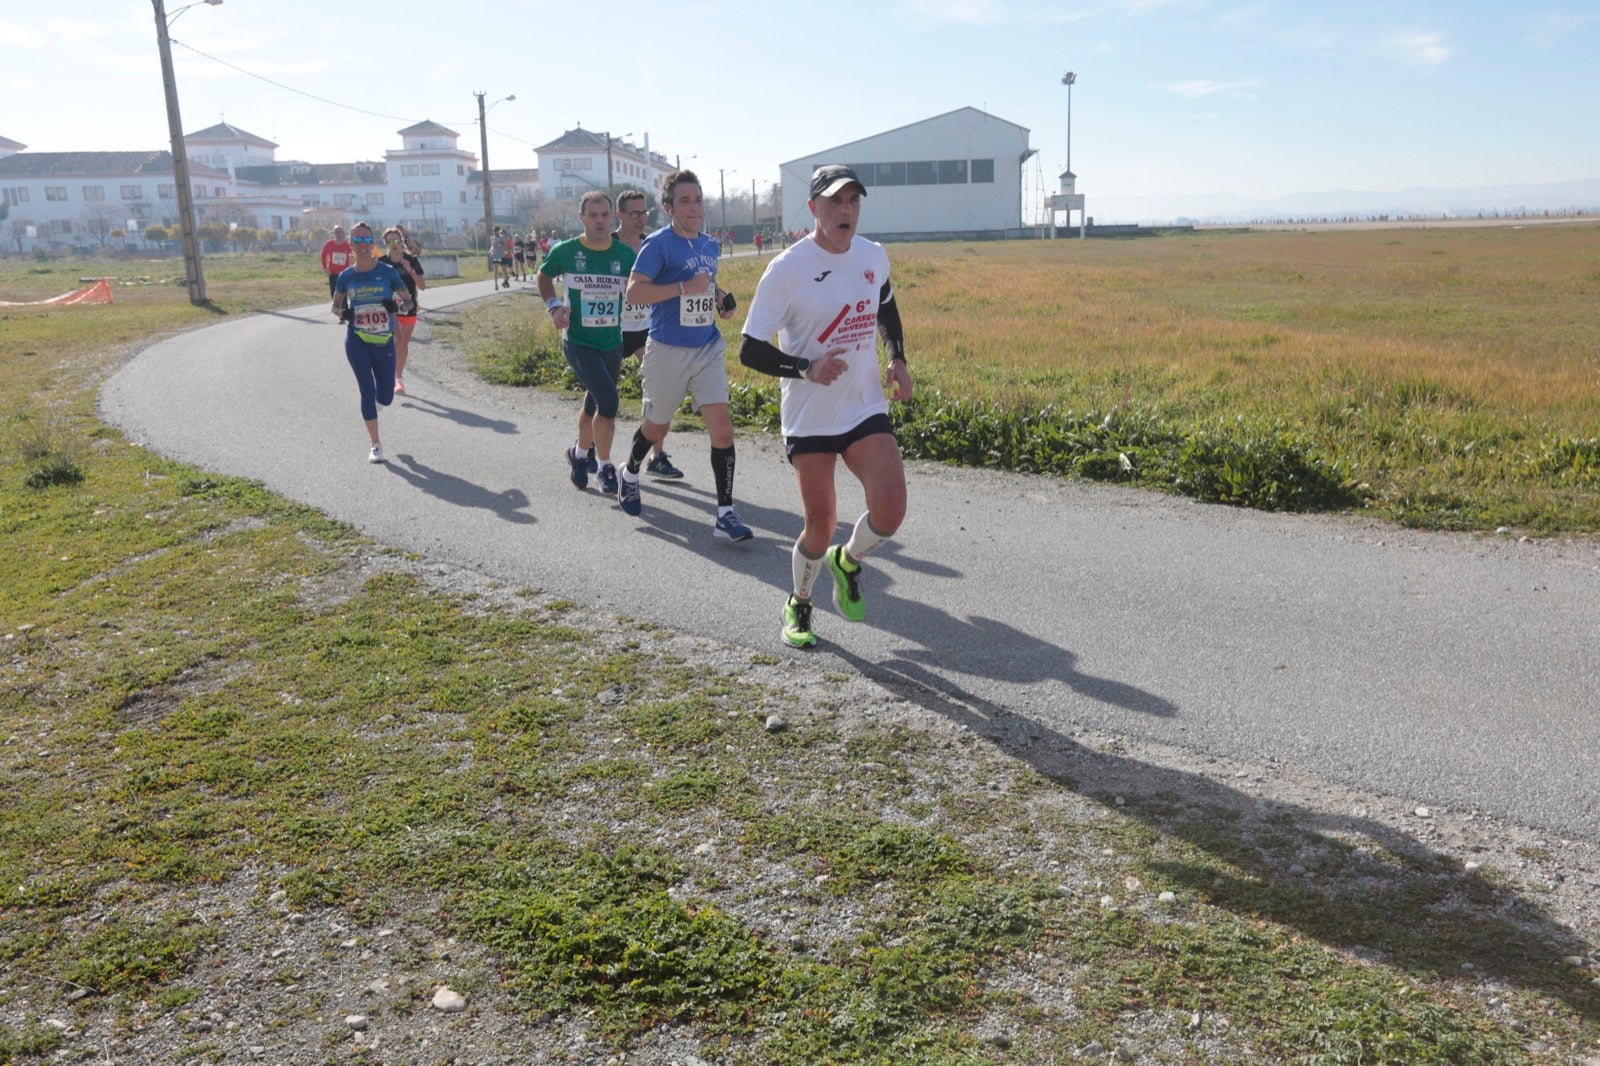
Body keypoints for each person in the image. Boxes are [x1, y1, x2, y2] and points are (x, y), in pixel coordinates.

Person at [738, 165, 911, 648]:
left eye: (853, 201)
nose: (846, 210)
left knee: (891, 511)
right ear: (813, 208)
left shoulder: (872, 255)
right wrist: (806, 367)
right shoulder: (786, 270)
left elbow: (884, 304)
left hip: (862, 404)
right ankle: (799, 601)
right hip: (810, 412)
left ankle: (848, 560)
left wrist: (896, 358)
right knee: (820, 524)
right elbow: (749, 349)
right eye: (835, 201)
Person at [616, 170, 745, 538]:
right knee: (656, 425)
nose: (694, 207)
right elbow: (635, 293)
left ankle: (725, 514)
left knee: (723, 430)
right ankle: (630, 471)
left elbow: (706, 284)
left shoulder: (709, 245)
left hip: (706, 347)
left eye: (698, 200)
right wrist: (682, 287)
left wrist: (719, 299)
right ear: (668, 207)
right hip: (667, 350)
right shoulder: (658, 245)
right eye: (685, 201)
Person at [576, 189, 682, 481]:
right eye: (634, 213)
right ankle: (585, 449)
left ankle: (657, 456)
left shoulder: (651, 244)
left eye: (644, 212)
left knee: (659, 388)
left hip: (646, 328)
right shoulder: (607, 245)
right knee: (599, 397)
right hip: (612, 330)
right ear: (619, 215)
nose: (641, 218)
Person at [539, 191, 637, 498]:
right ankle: (605, 466)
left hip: (612, 341)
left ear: (612, 217)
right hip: (579, 341)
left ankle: (579, 454)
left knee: (594, 402)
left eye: (604, 215)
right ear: (582, 218)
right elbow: (543, 276)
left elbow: (641, 286)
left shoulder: (624, 255)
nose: (599, 221)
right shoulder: (567, 251)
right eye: (593, 216)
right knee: (608, 402)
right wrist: (554, 306)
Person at [331, 222, 410, 464]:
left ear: (373, 244)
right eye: (358, 240)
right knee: (366, 389)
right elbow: (335, 307)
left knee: (385, 397)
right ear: (351, 244)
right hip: (357, 340)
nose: (362, 245)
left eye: (367, 241)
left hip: (383, 340)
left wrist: (395, 306)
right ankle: (375, 445)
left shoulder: (388, 272)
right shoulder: (346, 276)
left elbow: (409, 302)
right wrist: (343, 313)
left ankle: (376, 406)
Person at [381, 226, 426, 394]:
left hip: (408, 307)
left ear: (401, 242)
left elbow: (422, 286)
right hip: (389, 307)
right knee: (393, 341)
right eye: (389, 241)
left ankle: (398, 378)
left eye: (396, 240)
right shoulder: (381, 262)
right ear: (385, 243)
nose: (393, 244)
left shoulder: (411, 260)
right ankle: (394, 377)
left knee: (402, 344)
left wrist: (410, 270)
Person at [320, 225, 353, 298]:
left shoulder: (347, 245)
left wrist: (352, 268)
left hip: (344, 273)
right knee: (334, 293)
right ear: (334, 233)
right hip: (332, 272)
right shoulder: (329, 244)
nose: (338, 234)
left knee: (343, 294)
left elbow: (353, 256)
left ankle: (344, 305)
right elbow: (323, 255)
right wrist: (325, 267)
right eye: (336, 232)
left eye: (340, 232)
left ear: (343, 233)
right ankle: (336, 304)